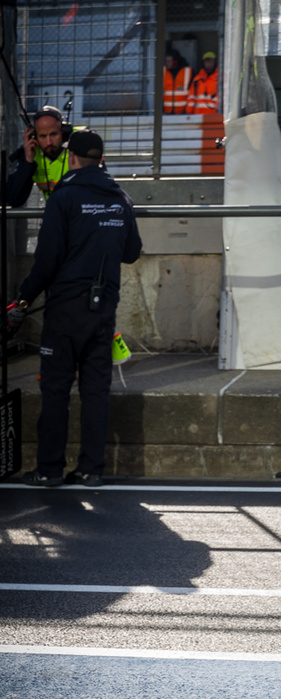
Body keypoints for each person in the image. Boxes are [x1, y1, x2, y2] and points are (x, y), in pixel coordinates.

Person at [8, 129, 142, 487]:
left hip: (66, 308)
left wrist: (23, 299)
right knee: (96, 389)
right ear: (101, 158)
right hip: (103, 308)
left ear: (74, 158)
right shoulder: (120, 198)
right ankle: (90, 470)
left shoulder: (64, 197)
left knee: (55, 388)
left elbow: (46, 260)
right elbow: (131, 252)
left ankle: (50, 470)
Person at [6, 105, 71, 208]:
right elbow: (14, 199)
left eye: (53, 134)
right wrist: (28, 161)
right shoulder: (32, 153)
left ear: (64, 132)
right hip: (55, 216)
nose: (49, 142)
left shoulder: (78, 146)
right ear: (34, 136)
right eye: (42, 136)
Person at [163, 49, 192, 114]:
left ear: (175, 62)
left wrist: (188, 110)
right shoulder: (164, 71)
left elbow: (192, 93)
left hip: (183, 112)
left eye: (169, 61)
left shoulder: (188, 71)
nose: (166, 63)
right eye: (166, 61)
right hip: (167, 112)